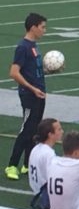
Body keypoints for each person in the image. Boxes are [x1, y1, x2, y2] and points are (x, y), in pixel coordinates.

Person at [6, 13, 48, 181]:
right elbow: (14, 73)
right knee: (26, 131)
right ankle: (11, 165)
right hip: (30, 95)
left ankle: (27, 164)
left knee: (34, 131)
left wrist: (49, 70)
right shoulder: (23, 47)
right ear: (33, 27)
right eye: (42, 27)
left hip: (39, 93)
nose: (44, 30)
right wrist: (32, 88)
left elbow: (33, 70)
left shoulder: (34, 46)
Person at [28, 118, 63, 209]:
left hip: (37, 189)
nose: (62, 131)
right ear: (50, 135)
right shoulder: (48, 154)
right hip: (44, 193)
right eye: (59, 129)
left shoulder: (36, 148)